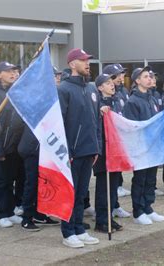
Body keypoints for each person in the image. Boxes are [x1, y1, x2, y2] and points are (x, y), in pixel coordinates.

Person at [58, 48, 101, 248]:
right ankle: (68, 232)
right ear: (72, 64)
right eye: (83, 60)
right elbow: (60, 124)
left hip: (89, 149)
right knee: (70, 193)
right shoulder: (63, 89)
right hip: (72, 152)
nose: (87, 63)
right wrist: (67, 151)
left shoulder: (91, 89)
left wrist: (96, 147)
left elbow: (95, 122)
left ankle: (79, 228)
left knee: (82, 193)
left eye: (88, 60)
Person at [0, 61, 26, 228]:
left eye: (15, 71)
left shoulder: (15, 92)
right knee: (3, 181)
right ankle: (2, 212)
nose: (13, 74)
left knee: (15, 179)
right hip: (2, 146)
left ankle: (11, 210)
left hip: (17, 145)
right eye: (9, 71)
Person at [123, 66, 164, 225]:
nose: (150, 79)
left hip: (153, 146)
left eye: (150, 76)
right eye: (146, 76)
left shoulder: (152, 99)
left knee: (151, 179)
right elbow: (132, 127)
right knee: (140, 179)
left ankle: (148, 207)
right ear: (137, 81)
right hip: (141, 148)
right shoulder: (133, 101)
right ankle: (138, 210)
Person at [93, 74, 124, 233]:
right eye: (107, 83)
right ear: (100, 87)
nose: (112, 85)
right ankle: (101, 220)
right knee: (103, 188)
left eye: (112, 83)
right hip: (103, 151)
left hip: (115, 151)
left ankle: (109, 216)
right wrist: (99, 112)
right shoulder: (96, 103)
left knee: (113, 187)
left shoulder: (116, 102)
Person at [101, 64, 132, 218]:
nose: (121, 78)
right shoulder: (102, 98)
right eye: (117, 75)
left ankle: (115, 205)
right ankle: (106, 210)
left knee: (115, 178)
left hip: (119, 140)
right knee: (106, 182)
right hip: (108, 143)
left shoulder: (121, 93)